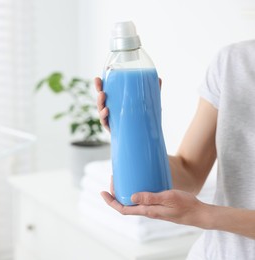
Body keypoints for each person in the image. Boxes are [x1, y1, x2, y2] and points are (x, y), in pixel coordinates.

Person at [95, 39, 255, 259]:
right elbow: (189, 173)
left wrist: (205, 215)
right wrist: (130, 135)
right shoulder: (233, 62)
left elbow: (201, 208)